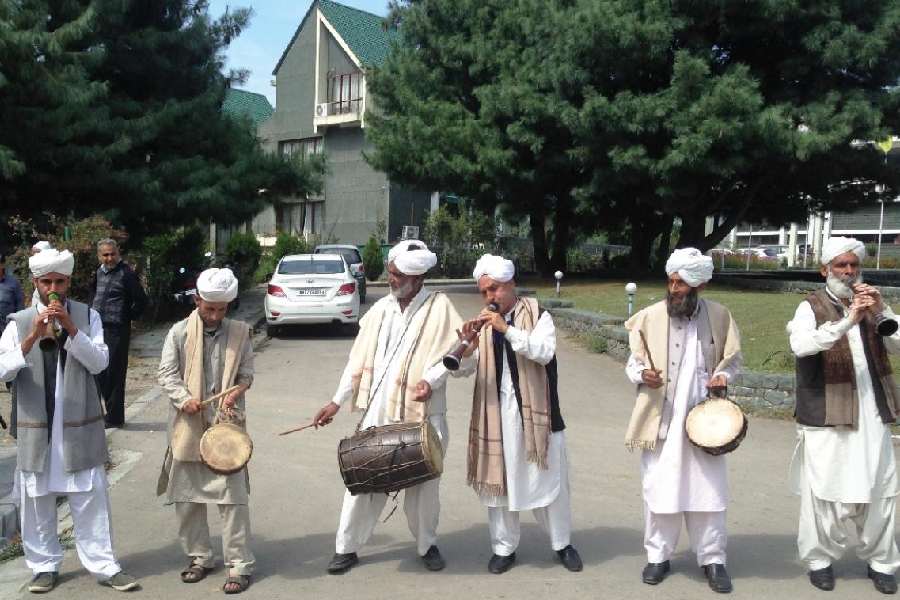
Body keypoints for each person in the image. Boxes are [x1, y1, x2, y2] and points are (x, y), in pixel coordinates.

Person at [313, 240, 467, 574]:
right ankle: (346, 548)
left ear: (418, 278)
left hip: (425, 417)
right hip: (379, 413)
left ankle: (427, 545)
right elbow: (356, 363)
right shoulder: (381, 309)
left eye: (397, 274)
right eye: (391, 271)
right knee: (363, 482)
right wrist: (336, 402)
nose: (390, 279)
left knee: (425, 490)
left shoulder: (440, 308)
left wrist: (434, 380)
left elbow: (464, 361)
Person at [0, 249, 138, 593]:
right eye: (46, 282)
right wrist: (32, 337)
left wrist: (72, 329)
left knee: (90, 497)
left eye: (59, 282)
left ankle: (104, 566)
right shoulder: (18, 322)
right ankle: (44, 567)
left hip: (78, 425)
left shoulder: (88, 316)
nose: (53, 289)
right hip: (37, 428)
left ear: (69, 282)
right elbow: (3, 370)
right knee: (37, 501)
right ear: (35, 282)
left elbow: (100, 362)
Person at [624, 247, 742, 594]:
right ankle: (658, 556)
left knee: (709, 493)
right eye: (671, 281)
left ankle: (713, 559)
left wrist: (723, 377)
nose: (673, 289)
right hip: (662, 419)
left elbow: (733, 361)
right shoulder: (649, 317)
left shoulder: (720, 316)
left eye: (681, 283)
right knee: (660, 489)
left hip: (707, 423)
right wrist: (642, 374)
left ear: (700, 285)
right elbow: (633, 363)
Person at [787, 236, 900, 594]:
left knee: (880, 489)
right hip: (827, 413)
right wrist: (847, 321)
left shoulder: (873, 304)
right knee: (825, 491)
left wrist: (882, 311)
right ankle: (819, 560)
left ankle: (882, 561)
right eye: (841, 265)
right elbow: (801, 345)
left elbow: (896, 344)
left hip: (872, 412)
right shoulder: (810, 307)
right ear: (826, 270)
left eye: (853, 265)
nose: (849, 271)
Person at [458, 253, 582, 574]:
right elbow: (464, 370)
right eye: (484, 291)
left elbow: (543, 352)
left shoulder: (539, 315)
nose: (489, 296)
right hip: (497, 418)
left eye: (495, 288)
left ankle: (562, 544)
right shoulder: (484, 324)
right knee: (499, 485)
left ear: (511, 284)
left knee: (551, 485)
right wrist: (466, 349)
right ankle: (504, 548)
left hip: (539, 418)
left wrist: (507, 329)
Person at [157, 267, 255, 594]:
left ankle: (238, 566)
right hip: (188, 427)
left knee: (233, 501)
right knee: (187, 499)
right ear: (197, 300)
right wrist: (184, 399)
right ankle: (199, 557)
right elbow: (166, 374)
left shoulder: (240, 332)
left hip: (226, 429)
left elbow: (246, 374)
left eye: (221, 309)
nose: (214, 315)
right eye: (209, 308)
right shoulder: (179, 332)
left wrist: (235, 392)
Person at [90, 239, 147, 428]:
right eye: (105, 255)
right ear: (99, 256)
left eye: (112, 254)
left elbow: (141, 300)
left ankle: (114, 418)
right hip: (97, 328)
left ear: (118, 253)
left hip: (117, 330)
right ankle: (101, 414)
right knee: (98, 370)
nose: (109, 258)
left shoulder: (126, 273)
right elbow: (93, 295)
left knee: (113, 373)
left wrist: (126, 317)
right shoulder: (98, 272)